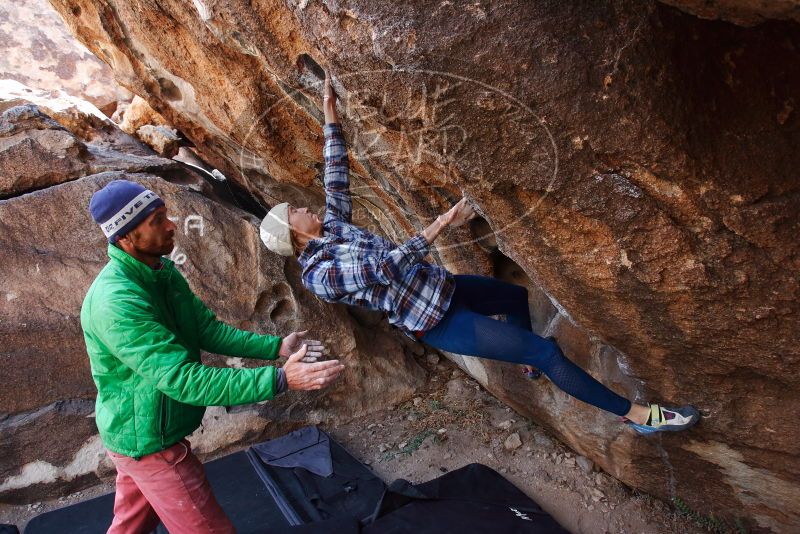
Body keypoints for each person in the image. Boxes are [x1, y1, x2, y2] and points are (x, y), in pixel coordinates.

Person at [259, 73, 699, 435]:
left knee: (514, 299)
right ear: (294, 237)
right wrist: (444, 222)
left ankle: (526, 364)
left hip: (445, 289)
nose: (302, 207)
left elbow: (336, 173)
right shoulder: (320, 273)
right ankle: (638, 416)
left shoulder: (331, 228)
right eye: (294, 212)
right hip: (439, 322)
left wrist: (329, 108)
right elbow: (385, 267)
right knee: (547, 353)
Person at [81, 179, 345, 534]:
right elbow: (182, 379)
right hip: (149, 443)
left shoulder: (161, 272)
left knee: (130, 526)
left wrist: (275, 348)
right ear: (127, 237)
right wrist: (281, 378)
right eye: (157, 220)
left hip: (139, 433)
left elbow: (205, 329)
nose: (172, 224)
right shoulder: (117, 302)